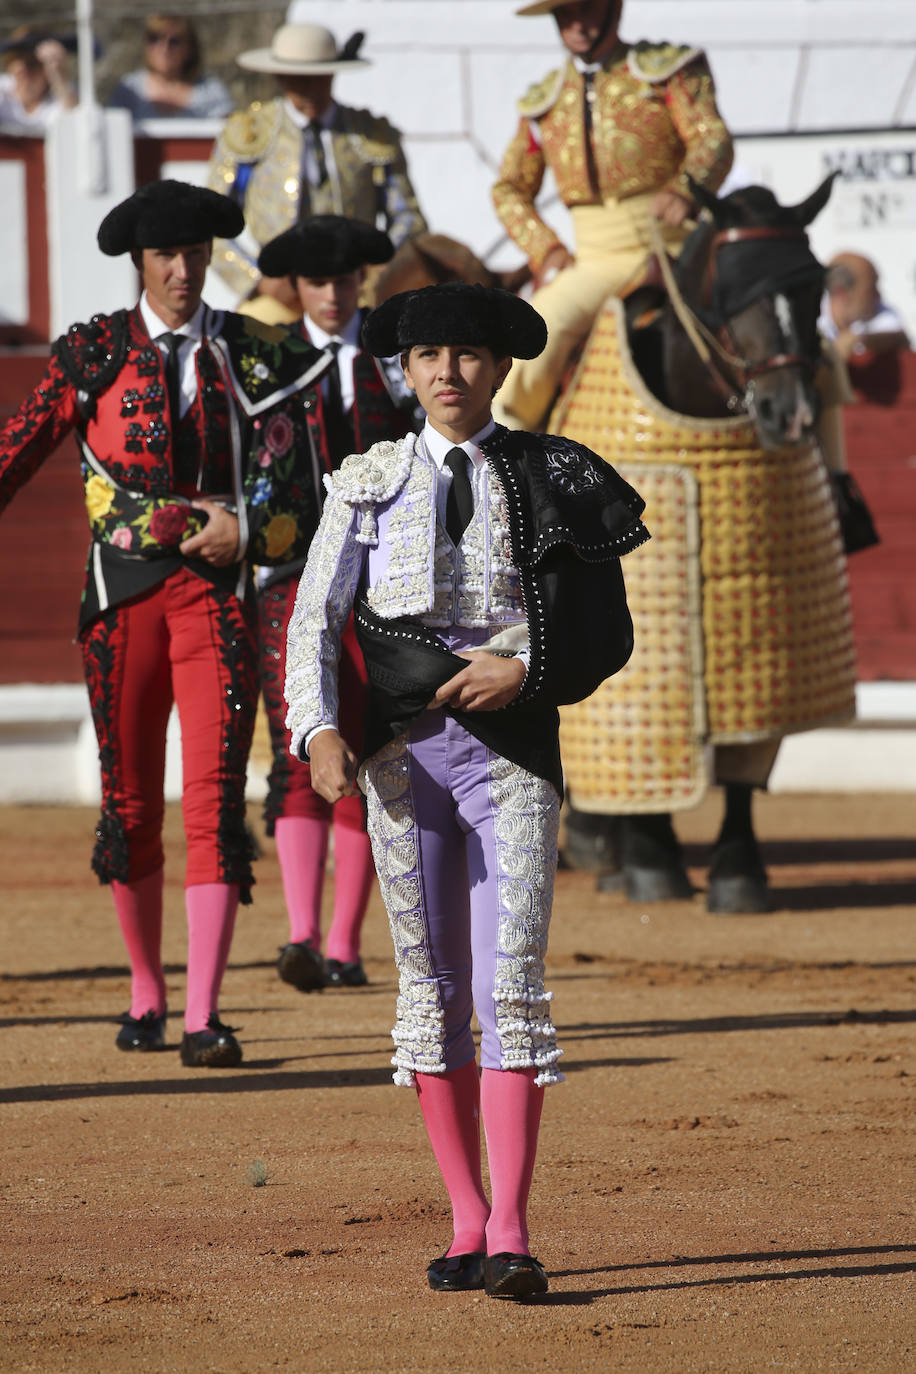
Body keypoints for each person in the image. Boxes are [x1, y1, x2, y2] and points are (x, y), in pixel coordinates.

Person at [284, 282, 647, 1298]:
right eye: (429, 355)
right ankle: (465, 1218)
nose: (450, 372)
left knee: (511, 990)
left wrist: (523, 669)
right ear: (404, 370)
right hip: (402, 763)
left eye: (470, 355)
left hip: (511, 755)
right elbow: (316, 619)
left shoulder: (553, 472)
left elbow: (604, 630)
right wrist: (314, 728)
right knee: (431, 995)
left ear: (499, 367)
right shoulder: (365, 480)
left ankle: (515, 1228)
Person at [0, 180, 331, 1068]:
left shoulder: (255, 355)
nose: (183, 272)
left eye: (193, 256)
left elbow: (301, 493)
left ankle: (204, 1014)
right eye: (165, 258)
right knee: (131, 803)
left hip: (213, 603)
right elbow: (14, 453)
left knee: (216, 805)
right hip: (120, 601)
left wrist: (248, 531)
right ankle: (147, 993)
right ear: (139, 264)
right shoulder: (93, 353)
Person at [255, 214, 419, 992]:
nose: (330, 294)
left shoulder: (396, 363)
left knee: (369, 745)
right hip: (290, 578)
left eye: (343, 280)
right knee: (304, 740)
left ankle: (346, 944)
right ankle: (301, 935)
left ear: (362, 281)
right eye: (317, 281)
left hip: (383, 583)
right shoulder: (271, 364)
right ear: (295, 286)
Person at [491, 0, 733, 431]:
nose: (576, 25)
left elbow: (711, 137)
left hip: (683, 245)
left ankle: (837, 478)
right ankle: (504, 469)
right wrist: (545, 249)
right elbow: (509, 189)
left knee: (805, 342)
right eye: (564, 15)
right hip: (599, 259)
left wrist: (684, 189)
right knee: (533, 342)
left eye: (585, 9)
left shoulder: (668, 71)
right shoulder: (543, 102)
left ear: (613, 10)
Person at [207, 22, 427, 316]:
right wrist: (259, 279)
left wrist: (376, 265)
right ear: (279, 77)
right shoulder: (249, 132)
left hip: (358, 291)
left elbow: (409, 219)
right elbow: (211, 225)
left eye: (318, 79)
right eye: (298, 80)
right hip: (280, 293)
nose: (309, 90)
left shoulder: (370, 134)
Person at [108, 14, 233, 122]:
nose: (164, 48)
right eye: (154, 38)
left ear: (190, 48)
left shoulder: (211, 90)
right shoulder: (130, 89)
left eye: (174, 41)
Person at [820, 252, 910, 363]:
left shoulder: (880, 311)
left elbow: (899, 336)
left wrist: (858, 338)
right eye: (871, 290)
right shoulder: (811, 319)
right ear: (841, 294)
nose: (878, 295)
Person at [0, 27, 77, 130]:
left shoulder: (60, 96)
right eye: (16, 60)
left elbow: (76, 125)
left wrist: (59, 76)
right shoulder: (3, 89)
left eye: (33, 64)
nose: (24, 71)